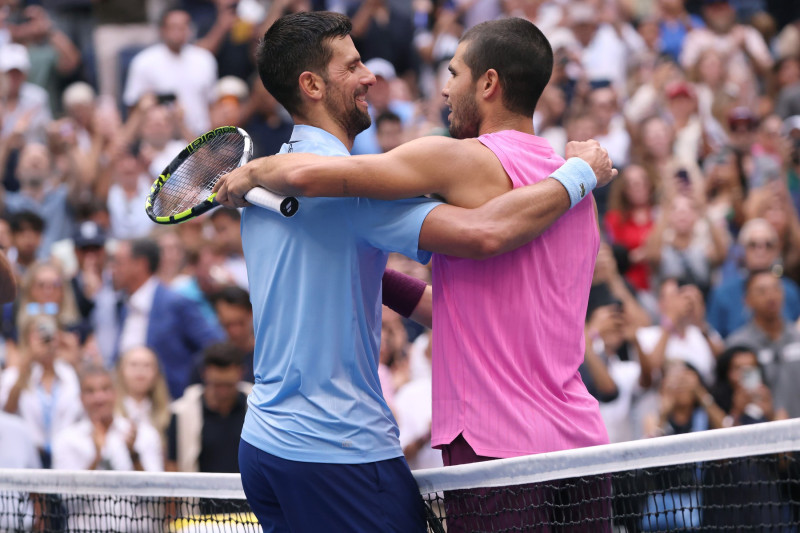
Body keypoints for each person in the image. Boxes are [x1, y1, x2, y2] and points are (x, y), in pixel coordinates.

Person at [214, 13, 615, 532]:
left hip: (277, 447)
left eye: (452, 73)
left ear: (488, 83)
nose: (372, 77)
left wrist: (258, 170)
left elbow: (475, 268)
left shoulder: (266, 195)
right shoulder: (574, 196)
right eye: (354, 65)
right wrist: (581, 172)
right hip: (571, 445)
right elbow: (483, 235)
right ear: (311, 85)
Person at [166, 342, 251, 473]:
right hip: (195, 493)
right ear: (204, 374)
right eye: (217, 385)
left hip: (248, 493)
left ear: (241, 373)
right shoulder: (181, 413)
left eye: (229, 385)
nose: (223, 391)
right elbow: (172, 466)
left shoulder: (256, 409)